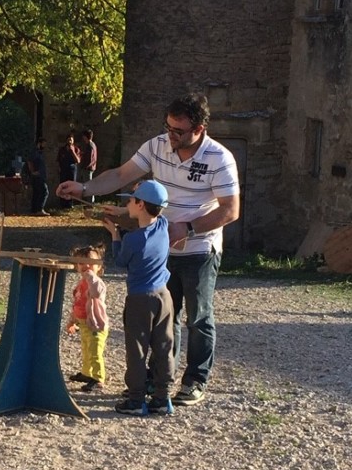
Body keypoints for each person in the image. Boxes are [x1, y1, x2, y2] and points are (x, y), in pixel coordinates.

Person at [57, 93, 240, 406]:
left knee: (198, 318)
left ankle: (195, 380)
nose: (171, 136)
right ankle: (159, 383)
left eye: (178, 131)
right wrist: (85, 188)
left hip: (200, 249)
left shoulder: (219, 158)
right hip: (162, 251)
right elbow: (120, 175)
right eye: (168, 127)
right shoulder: (157, 146)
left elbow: (230, 209)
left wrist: (189, 227)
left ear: (199, 129)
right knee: (165, 322)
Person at [103, 180, 174, 416]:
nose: (128, 204)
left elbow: (121, 261)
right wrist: (123, 219)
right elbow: (145, 225)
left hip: (139, 299)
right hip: (163, 295)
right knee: (163, 346)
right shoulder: (163, 225)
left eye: (131, 200)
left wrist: (115, 235)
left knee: (137, 350)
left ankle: (136, 400)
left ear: (141, 204)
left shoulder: (133, 240)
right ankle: (162, 398)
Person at [65, 245, 109, 393]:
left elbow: (96, 292)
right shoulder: (80, 284)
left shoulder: (97, 282)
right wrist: (72, 320)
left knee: (95, 350)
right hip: (83, 323)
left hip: (95, 324)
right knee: (86, 349)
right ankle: (87, 373)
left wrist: (91, 276)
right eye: (81, 262)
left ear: (99, 266)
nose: (86, 266)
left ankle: (98, 378)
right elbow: (77, 303)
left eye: (90, 262)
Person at [23, 137, 49, 215]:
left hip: (40, 176)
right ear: (39, 143)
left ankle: (34, 210)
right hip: (37, 176)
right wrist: (33, 172)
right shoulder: (35, 152)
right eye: (43, 143)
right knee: (45, 191)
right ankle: (40, 209)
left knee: (36, 193)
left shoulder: (39, 152)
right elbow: (30, 161)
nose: (44, 145)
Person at [56, 135, 81, 208]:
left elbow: (78, 161)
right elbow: (58, 160)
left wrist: (72, 151)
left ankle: (70, 204)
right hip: (63, 170)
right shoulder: (62, 149)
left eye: (71, 140)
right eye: (68, 139)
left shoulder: (76, 149)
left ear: (73, 141)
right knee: (63, 186)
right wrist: (59, 168)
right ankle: (62, 204)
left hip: (72, 170)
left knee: (71, 186)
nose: (69, 141)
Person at [78, 129, 98, 202]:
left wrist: (83, 167)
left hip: (87, 169)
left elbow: (89, 159)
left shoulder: (89, 145)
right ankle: (90, 202)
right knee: (89, 186)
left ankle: (90, 203)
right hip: (91, 168)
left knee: (88, 187)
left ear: (85, 137)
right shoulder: (93, 145)